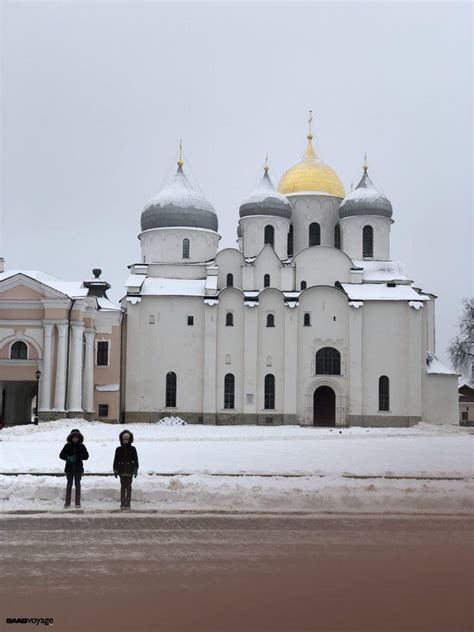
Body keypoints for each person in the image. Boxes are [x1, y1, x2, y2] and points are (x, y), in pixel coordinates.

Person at [59, 428, 89, 508]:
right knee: (69, 485)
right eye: (74, 437)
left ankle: (77, 502)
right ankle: (67, 502)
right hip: (69, 469)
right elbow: (61, 455)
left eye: (77, 437)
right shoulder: (67, 446)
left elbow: (86, 456)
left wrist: (77, 457)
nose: (75, 439)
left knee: (77, 485)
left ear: (79, 438)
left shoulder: (81, 446)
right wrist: (68, 458)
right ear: (71, 438)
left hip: (78, 469)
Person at [113, 430, 139, 509]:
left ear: (130, 440)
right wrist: (115, 469)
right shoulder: (118, 449)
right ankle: (122, 502)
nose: (125, 441)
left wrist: (135, 468)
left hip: (129, 471)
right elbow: (116, 460)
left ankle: (128, 502)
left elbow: (135, 460)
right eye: (124, 439)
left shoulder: (133, 449)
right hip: (121, 471)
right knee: (123, 487)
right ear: (121, 440)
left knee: (128, 487)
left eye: (127, 440)